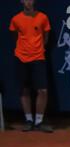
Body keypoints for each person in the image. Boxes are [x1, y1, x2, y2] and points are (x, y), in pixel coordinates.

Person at [9, 0, 53, 133]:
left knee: (43, 91)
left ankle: (39, 121)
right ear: (22, 1)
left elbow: (46, 36)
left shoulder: (43, 17)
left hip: (38, 57)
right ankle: (28, 120)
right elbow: (14, 36)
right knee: (24, 90)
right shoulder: (15, 19)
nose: (28, 2)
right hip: (21, 57)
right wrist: (24, 49)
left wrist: (37, 48)